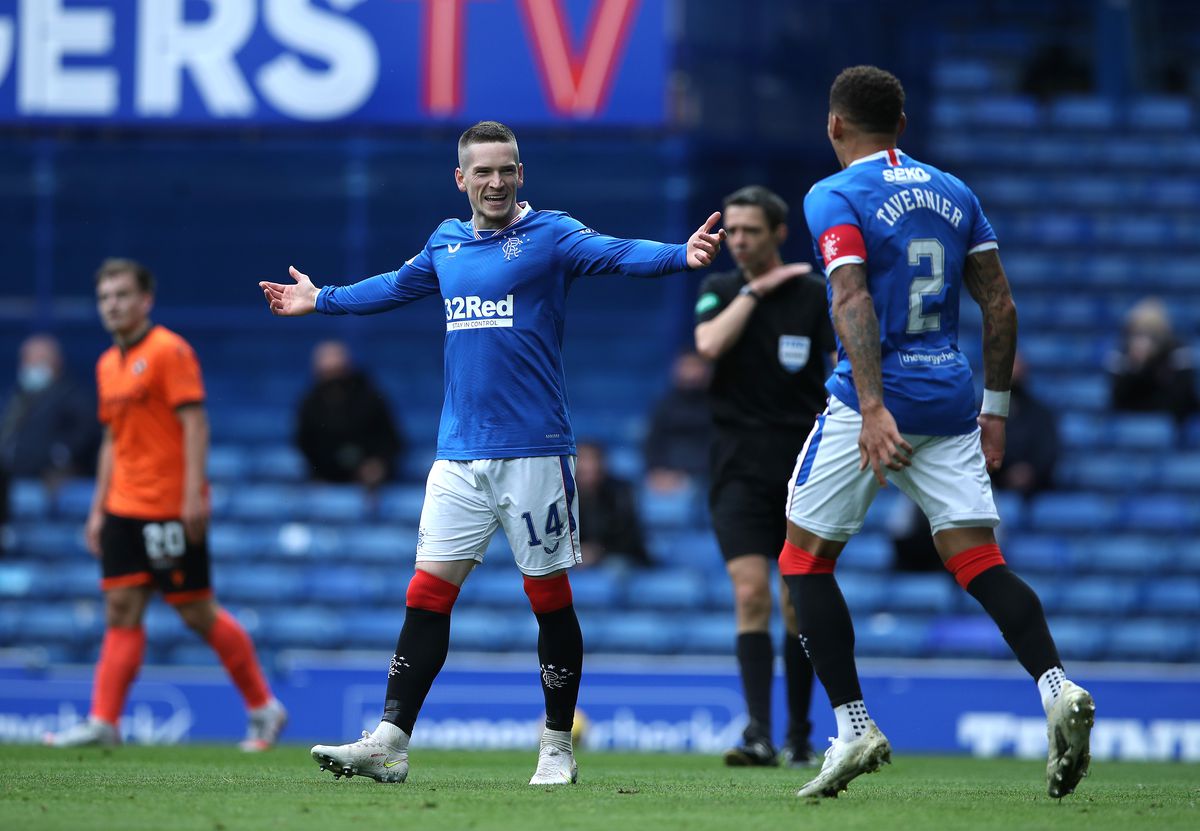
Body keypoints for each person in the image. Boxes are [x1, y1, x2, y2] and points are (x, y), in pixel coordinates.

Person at [259, 120, 724, 785]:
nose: (496, 181)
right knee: (426, 591)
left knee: (548, 597)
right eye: (483, 171)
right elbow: (392, 285)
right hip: (458, 455)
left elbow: (619, 252)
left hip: (534, 451)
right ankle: (390, 742)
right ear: (461, 179)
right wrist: (321, 298)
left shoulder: (552, 234)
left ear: (521, 173)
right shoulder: (445, 243)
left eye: (507, 169)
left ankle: (557, 747)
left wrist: (681, 254)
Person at [783, 66, 1094, 800]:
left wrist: (873, 407)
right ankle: (1056, 685)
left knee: (803, 560)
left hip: (875, 402)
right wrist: (996, 411)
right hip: (952, 401)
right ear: (902, 123)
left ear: (835, 125)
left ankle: (854, 725)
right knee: (978, 558)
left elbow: (851, 296)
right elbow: (1000, 305)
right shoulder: (955, 192)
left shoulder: (834, 194)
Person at [45, 258, 287, 751]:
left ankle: (264, 708)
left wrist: (193, 494)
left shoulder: (168, 350)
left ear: (145, 300)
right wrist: (98, 508)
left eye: (121, 295)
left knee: (196, 611)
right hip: (122, 506)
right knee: (120, 608)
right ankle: (104, 721)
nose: (112, 305)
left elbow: (195, 423)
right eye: (104, 297)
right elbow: (113, 438)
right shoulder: (106, 364)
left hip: (167, 505)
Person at [693, 185, 834, 768]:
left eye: (752, 230)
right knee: (751, 593)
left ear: (779, 233)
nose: (740, 241)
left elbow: (840, 369)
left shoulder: (814, 295)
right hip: (737, 469)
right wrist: (755, 290)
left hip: (804, 467)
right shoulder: (720, 290)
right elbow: (708, 344)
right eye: (733, 231)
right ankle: (758, 733)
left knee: (796, 600)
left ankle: (800, 734)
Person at [0, 334, 100, 527]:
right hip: (12, 478)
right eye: (27, 359)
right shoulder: (18, 398)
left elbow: (83, 436)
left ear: (56, 361)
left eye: (40, 359)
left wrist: (61, 461)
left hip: (49, 481)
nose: (32, 365)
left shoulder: (73, 396)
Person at [295, 339, 405, 488]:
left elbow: (392, 440)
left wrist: (379, 464)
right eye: (328, 373)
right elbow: (304, 443)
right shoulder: (309, 403)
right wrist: (319, 472)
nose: (333, 380)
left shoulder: (371, 398)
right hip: (325, 478)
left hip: (371, 480)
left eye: (337, 371)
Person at [1107, 297, 1198, 427]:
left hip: (1171, 419)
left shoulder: (1179, 351)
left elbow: (1184, 395)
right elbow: (1116, 399)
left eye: (1152, 331)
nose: (1144, 339)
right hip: (1132, 420)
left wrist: (1155, 364)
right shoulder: (1120, 354)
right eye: (1138, 332)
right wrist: (1136, 366)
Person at [643, 352, 712, 493]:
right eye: (686, 366)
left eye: (695, 366)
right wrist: (656, 470)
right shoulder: (664, 405)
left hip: (709, 474)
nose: (691, 373)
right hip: (671, 475)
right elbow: (652, 441)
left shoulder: (719, 406)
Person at [575, 441, 650, 568]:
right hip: (576, 557)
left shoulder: (621, 491)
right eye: (583, 460)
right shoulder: (561, 494)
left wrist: (597, 551)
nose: (588, 466)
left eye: (592, 460)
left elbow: (627, 537)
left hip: (617, 555)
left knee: (616, 567)